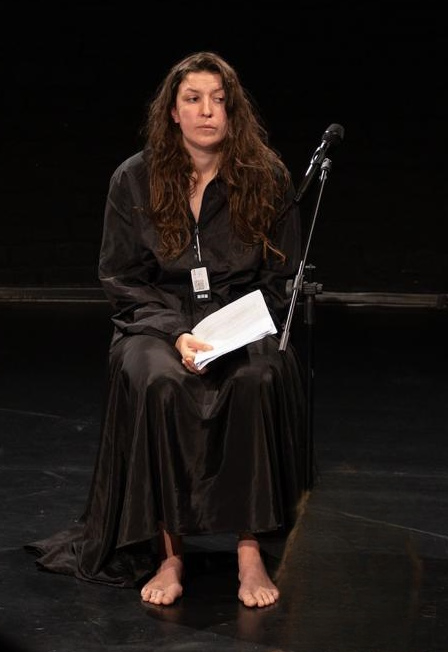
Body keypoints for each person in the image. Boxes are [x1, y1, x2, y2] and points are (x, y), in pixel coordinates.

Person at [26, 51, 308, 609]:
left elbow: (281, 279)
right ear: (173, 112)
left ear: (233, 111)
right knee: (160, 381)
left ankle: (249, 549)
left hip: (237, 318)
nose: (207, 111)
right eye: (193, 99)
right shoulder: (134, 178)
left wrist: (234, 329)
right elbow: (121, 278)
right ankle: (170, 551)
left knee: (254, 378)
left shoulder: (267, 177)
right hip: (154, 319)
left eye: (219, 100)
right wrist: (177, 332)